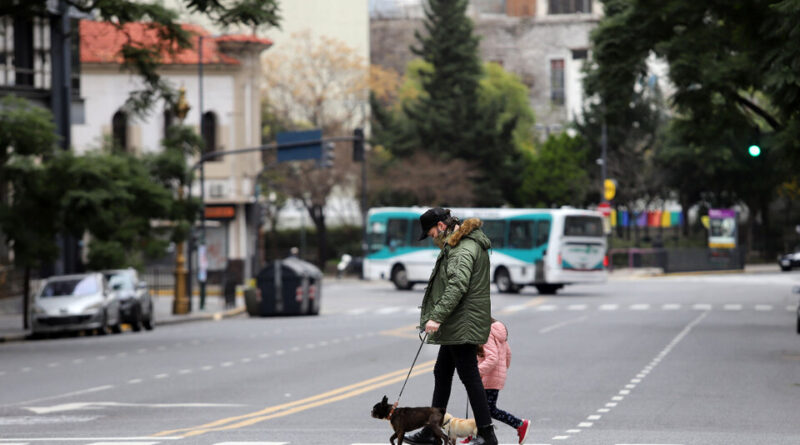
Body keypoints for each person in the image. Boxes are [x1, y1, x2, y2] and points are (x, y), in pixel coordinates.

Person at [404, 208, 498, 445]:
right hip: (458, 322)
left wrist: (436, 317)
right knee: (442, 372)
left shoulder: (461, 250)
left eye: (431, 231)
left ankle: (487, 434)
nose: (432, 236)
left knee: (469, 376)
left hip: (461, 322)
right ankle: (433, 432)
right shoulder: (458, 245)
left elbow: (457, 286)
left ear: (441, 226)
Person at [471, 319, 530, 445]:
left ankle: (519, 424)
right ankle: (477, 435)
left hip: (488, 376)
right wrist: (502, 371)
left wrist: (476, 372)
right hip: (495, 376)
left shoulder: (486, 333)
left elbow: (492, 358)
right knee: (484, 408)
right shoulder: (498, 332)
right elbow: (508, 354)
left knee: (487, 409)